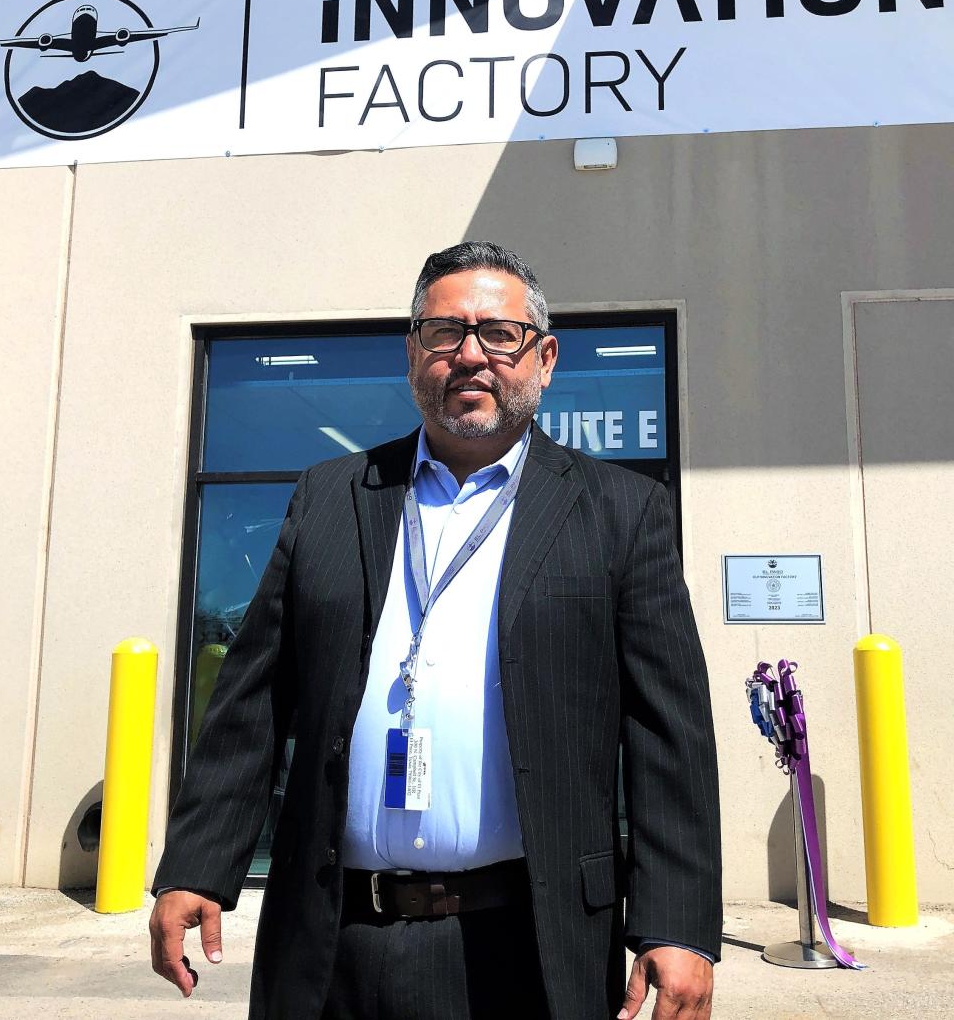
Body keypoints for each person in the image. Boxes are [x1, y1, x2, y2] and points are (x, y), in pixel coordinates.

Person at [150, 241, 722, 1020]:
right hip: (329, 941)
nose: (470, 355)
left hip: (529, 946)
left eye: (499, 334)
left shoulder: (620, 512)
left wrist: (679, 922)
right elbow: (253, 700)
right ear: (413, 353)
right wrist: (198, 862)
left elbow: (669, 732)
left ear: (544, 358)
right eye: (444, 332)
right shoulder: (330, 494)